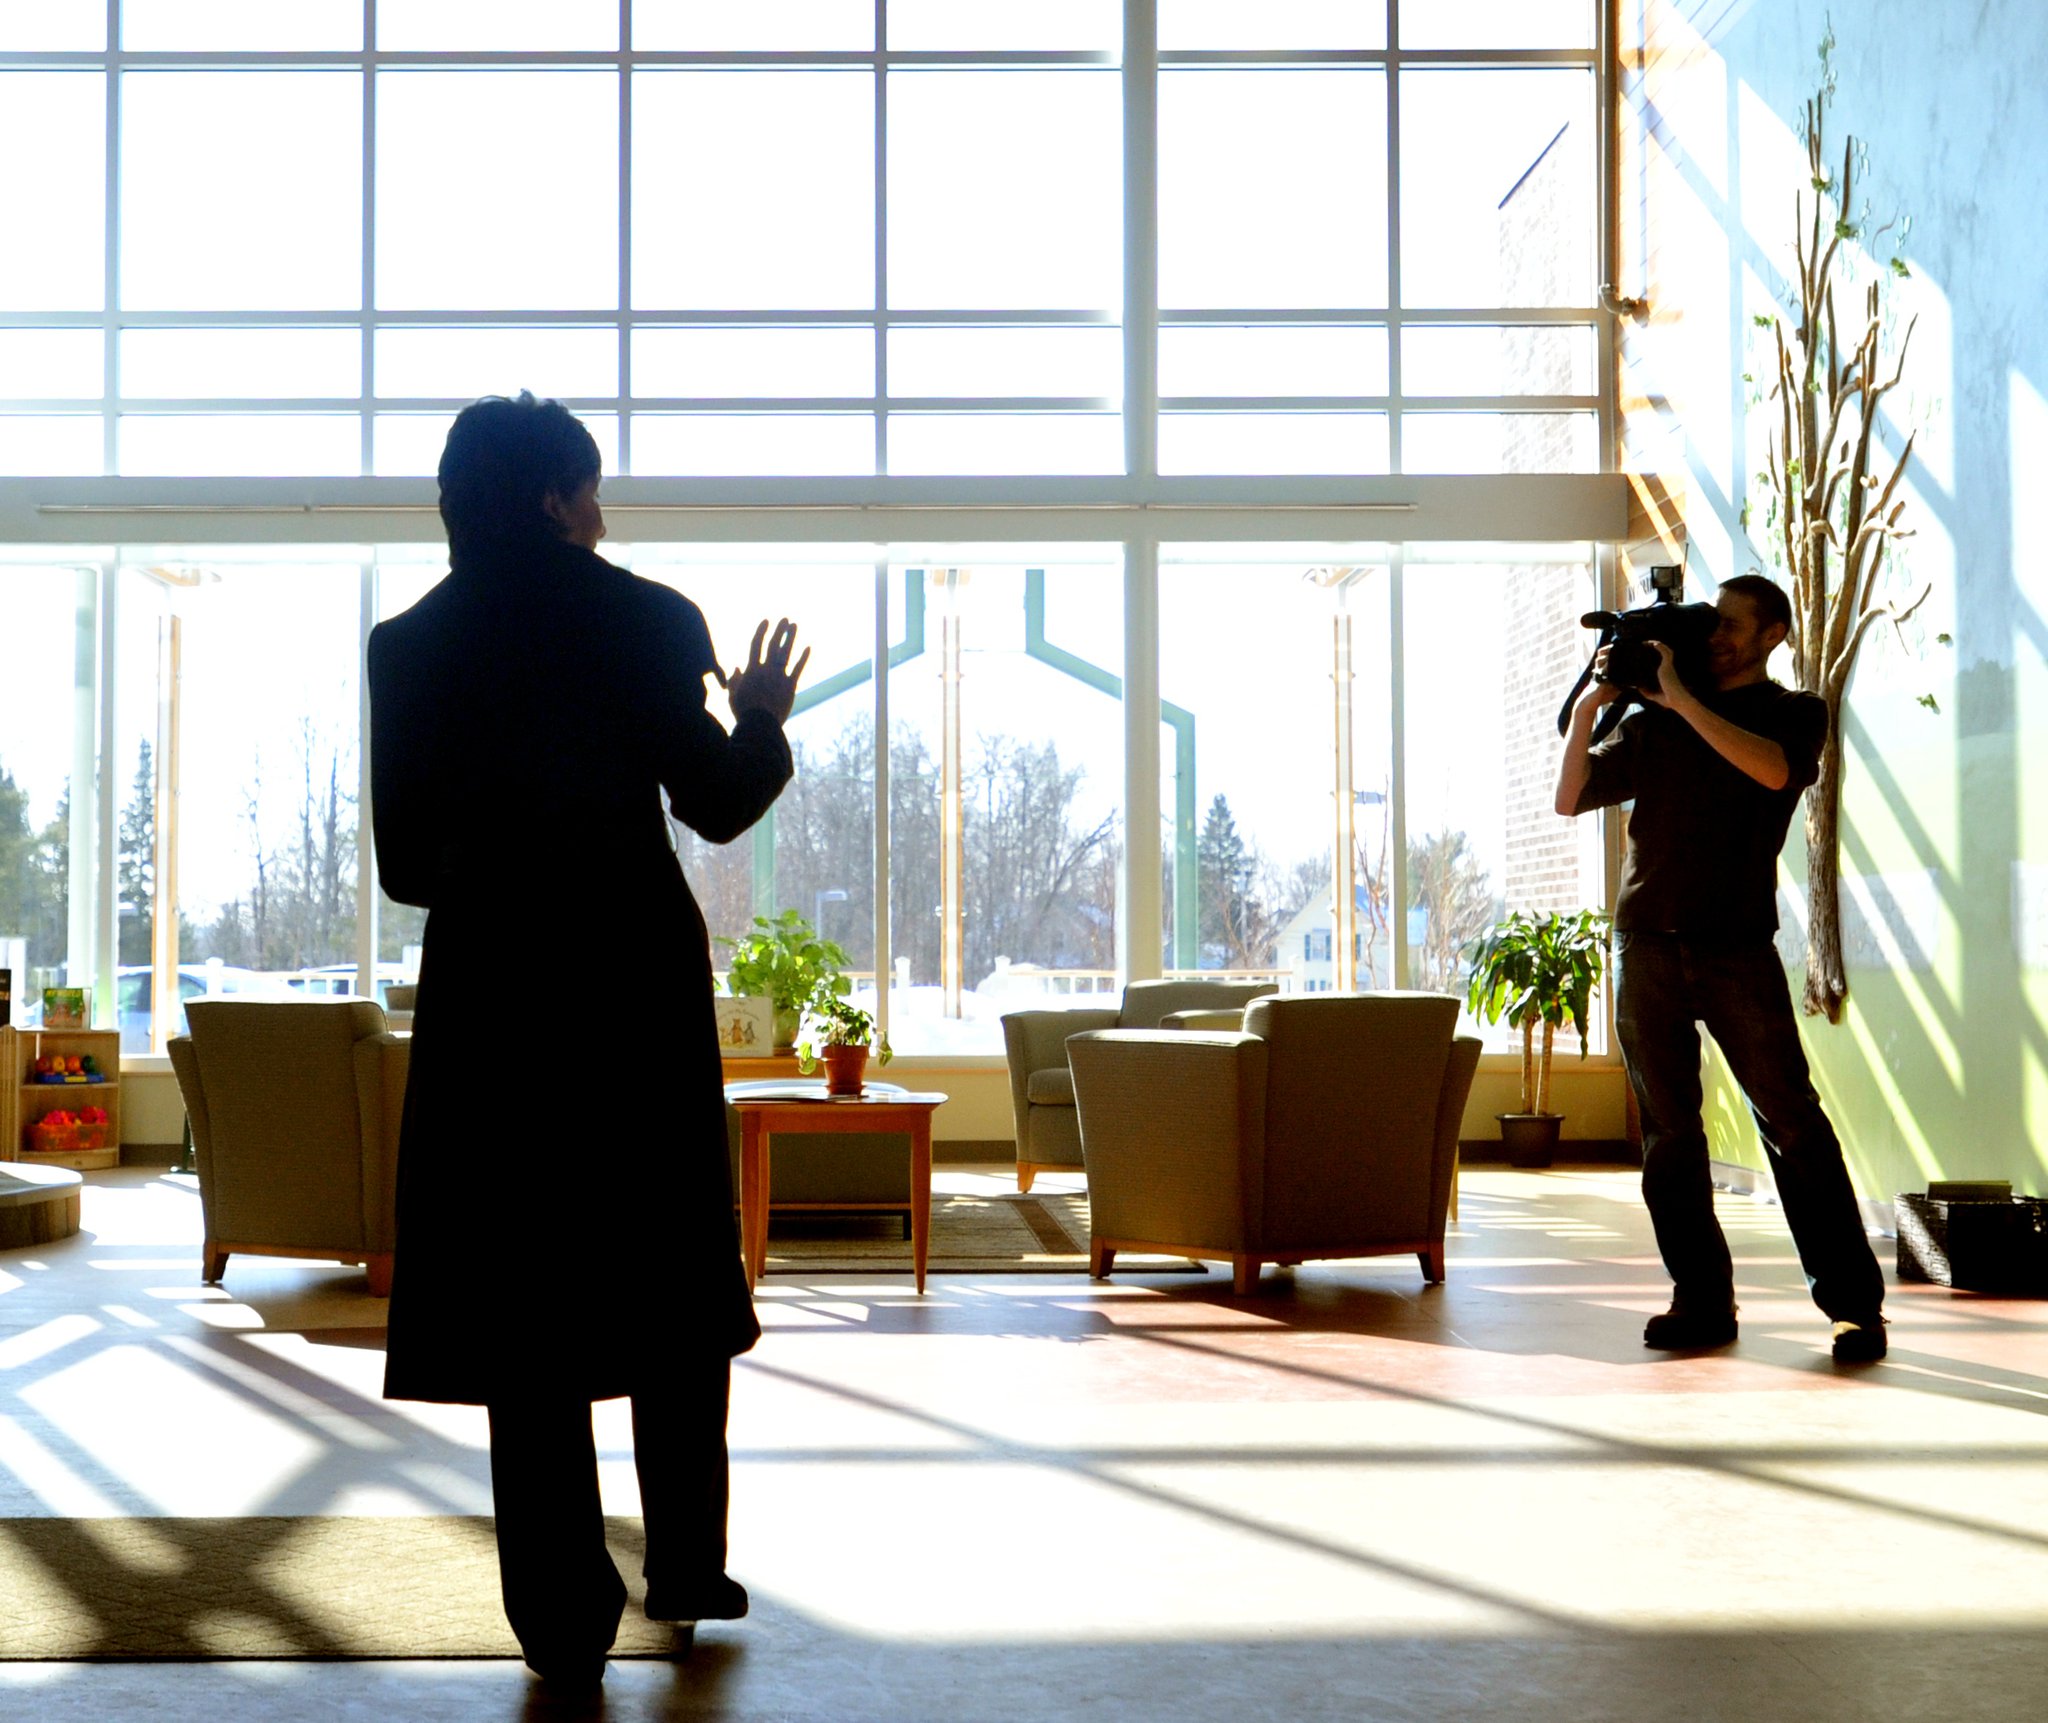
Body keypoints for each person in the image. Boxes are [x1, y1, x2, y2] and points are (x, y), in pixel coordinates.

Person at [367, 393, 808, 1685]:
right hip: (630, 991)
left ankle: (561, 1616)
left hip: (496, 1002)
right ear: (559, 499)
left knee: (527, 1308)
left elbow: (407, 867)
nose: (604, 518)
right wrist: (765, 712)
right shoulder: (649, 618)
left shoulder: (406, 647)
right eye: (594, 494)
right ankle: (685, 1562)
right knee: (669, 1272)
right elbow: (718, 807)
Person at [1554, 573, 1887, 1364]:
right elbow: (1569, 798)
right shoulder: (1653, 723)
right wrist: (1594, 708)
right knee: (1670, 1135)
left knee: (1793, 1125)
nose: (1717, 637)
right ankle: (1701, 1299)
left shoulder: (1791, 714)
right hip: (1646, 944)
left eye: (1735, 625)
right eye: (1715, 625)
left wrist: (1676, 696)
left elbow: (1772, 773)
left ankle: (1854, 1308)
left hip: (1735, 945)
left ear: (1773, 635)